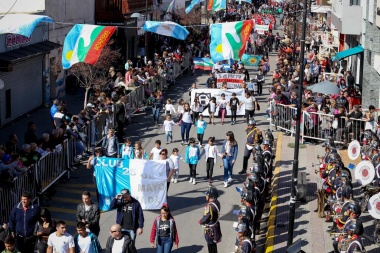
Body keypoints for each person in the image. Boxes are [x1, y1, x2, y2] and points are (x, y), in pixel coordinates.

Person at [199, 186, 222, 253]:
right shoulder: (217, 202)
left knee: (210, 244)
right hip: (215, 225)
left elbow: (206, 217)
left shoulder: (210, 207)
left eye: (207, 195)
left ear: (211, 197)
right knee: (213, 244)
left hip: (210, 228)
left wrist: (201, 221)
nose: (206, 196)